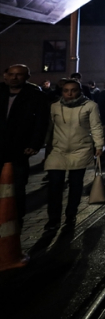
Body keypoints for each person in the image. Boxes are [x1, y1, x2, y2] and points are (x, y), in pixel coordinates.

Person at [44, 79, 104, 231]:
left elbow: (95, 126)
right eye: (66, 90)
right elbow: (49, 127)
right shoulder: (54, 107)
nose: (69, 93)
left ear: (80, 91)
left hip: (81, 149)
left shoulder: (90, 106)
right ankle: (53, 219)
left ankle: (71, 215)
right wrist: (43, 144)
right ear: (62, 91)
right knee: (54, 185)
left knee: (75, 185)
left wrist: (98, 145)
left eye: (73, 90)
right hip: (58, 149)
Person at [1, 64, 49, 228]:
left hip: (19, 147)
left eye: (19, 75)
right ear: (5, 75)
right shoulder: (1, 92)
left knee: (18, 186)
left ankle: (16, 219)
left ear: (26, 77)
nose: (14, 78)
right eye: (11, 74)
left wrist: (34, 143)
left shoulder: (35, 95)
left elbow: (41, 122)